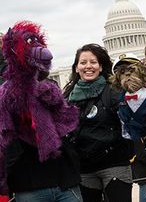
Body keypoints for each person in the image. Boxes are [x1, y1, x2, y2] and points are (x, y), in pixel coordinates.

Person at [0, 22, 82, 202]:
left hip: (64, 180)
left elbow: (68, 126)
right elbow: (4, 143)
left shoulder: (49, 90)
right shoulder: (6, 95)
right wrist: (3, 188)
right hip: (29, 184)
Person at [63, 44, 134, 202]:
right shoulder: (68, 98)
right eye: (83, 62)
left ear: (101, 67)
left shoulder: (114, 91)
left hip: (114, 163)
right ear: (76, 68)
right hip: (84, 168)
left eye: (93, 62)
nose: (88, 66)